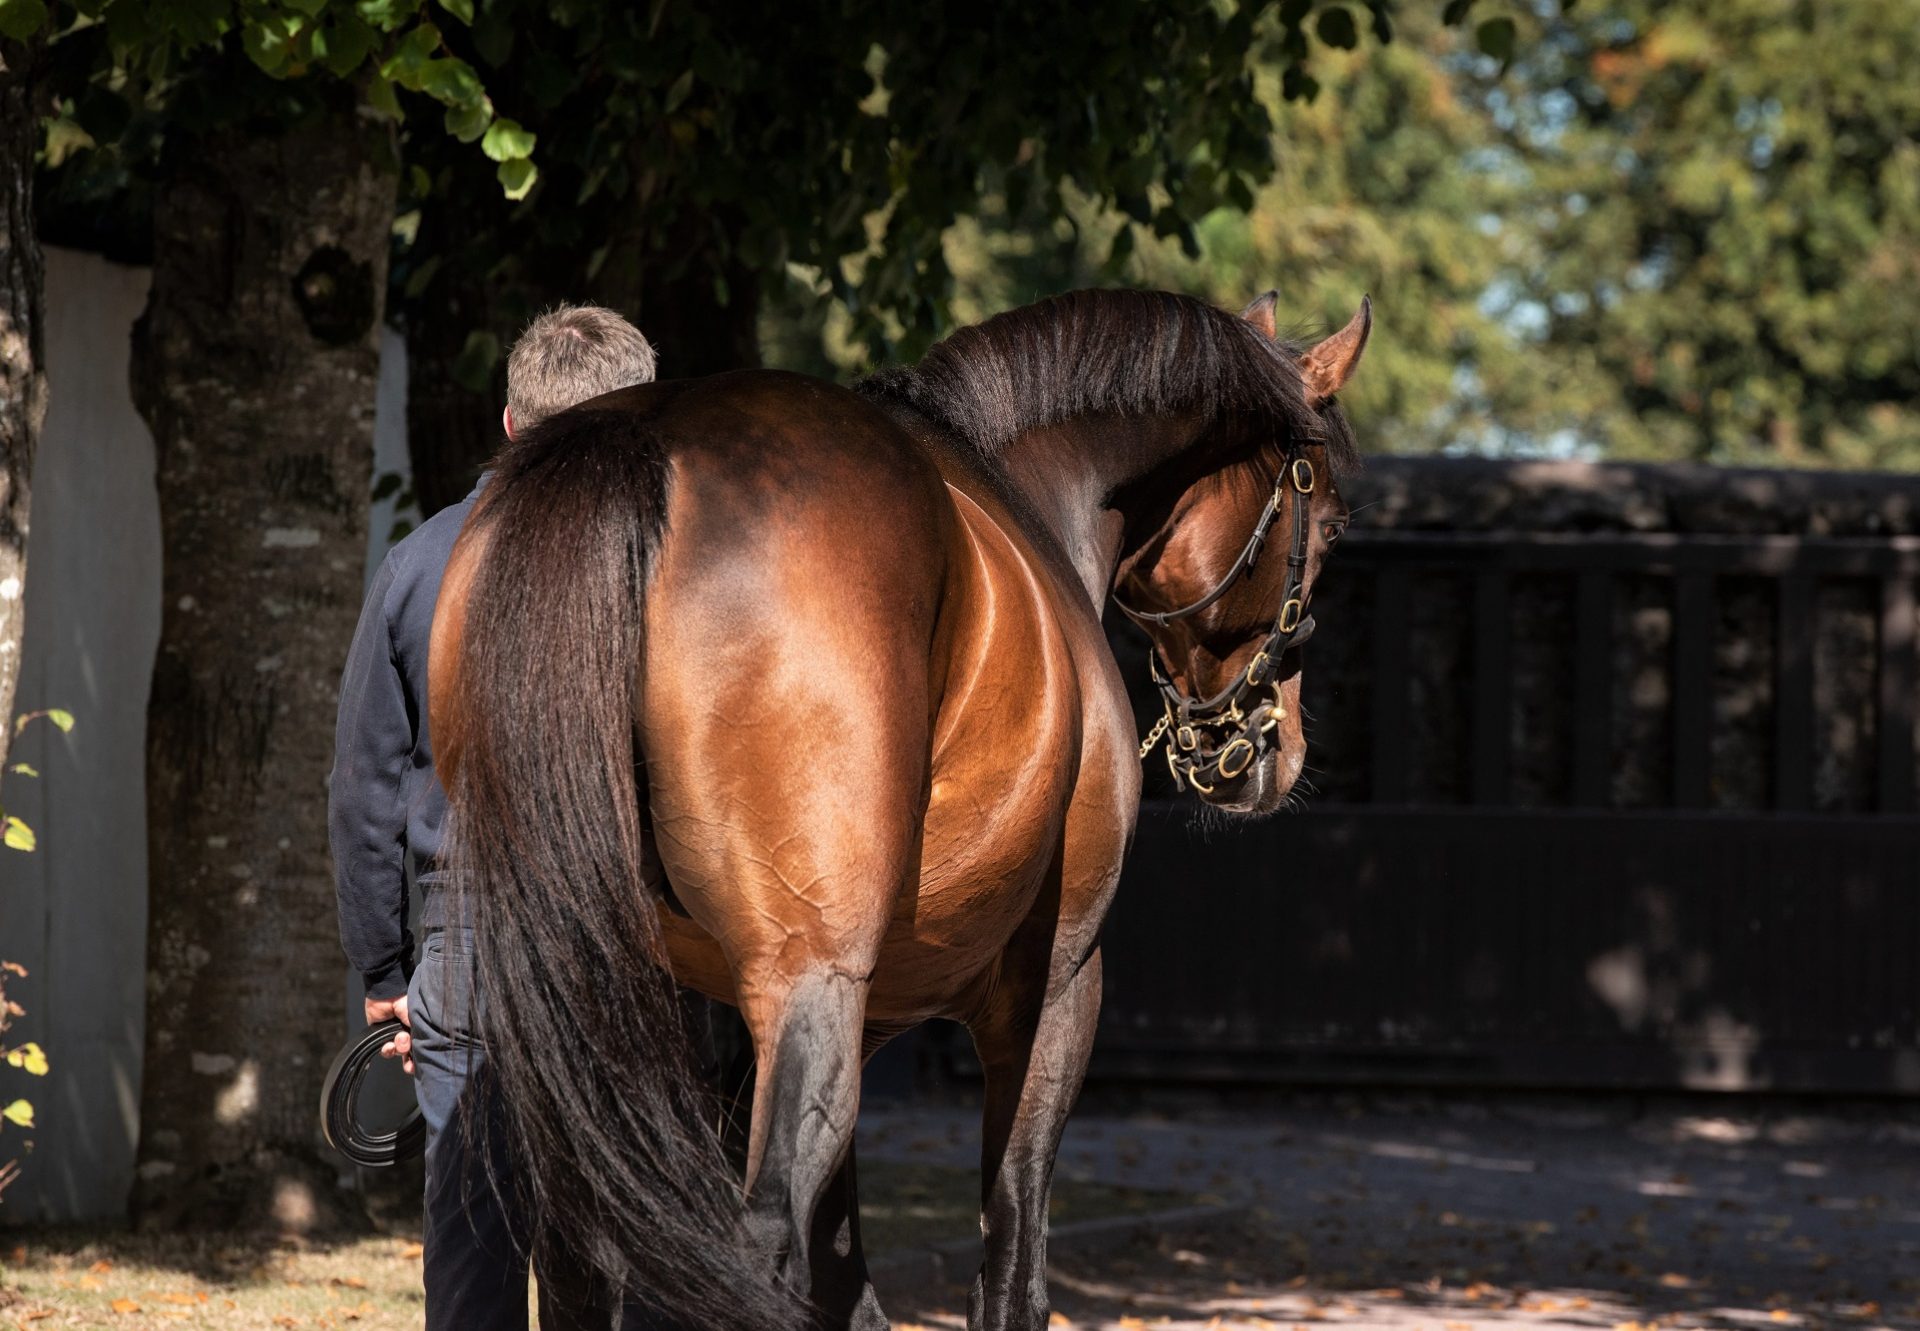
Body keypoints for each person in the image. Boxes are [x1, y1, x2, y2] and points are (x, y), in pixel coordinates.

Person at [329, 304, 659, 1331]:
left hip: (464, 938)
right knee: (626, 1229)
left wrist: (388, 974)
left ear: (512, 422)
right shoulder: (680, 574)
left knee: (471, 1238)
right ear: (642, 427)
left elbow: (364, 787)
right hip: (633, 934)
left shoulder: (420, 563)